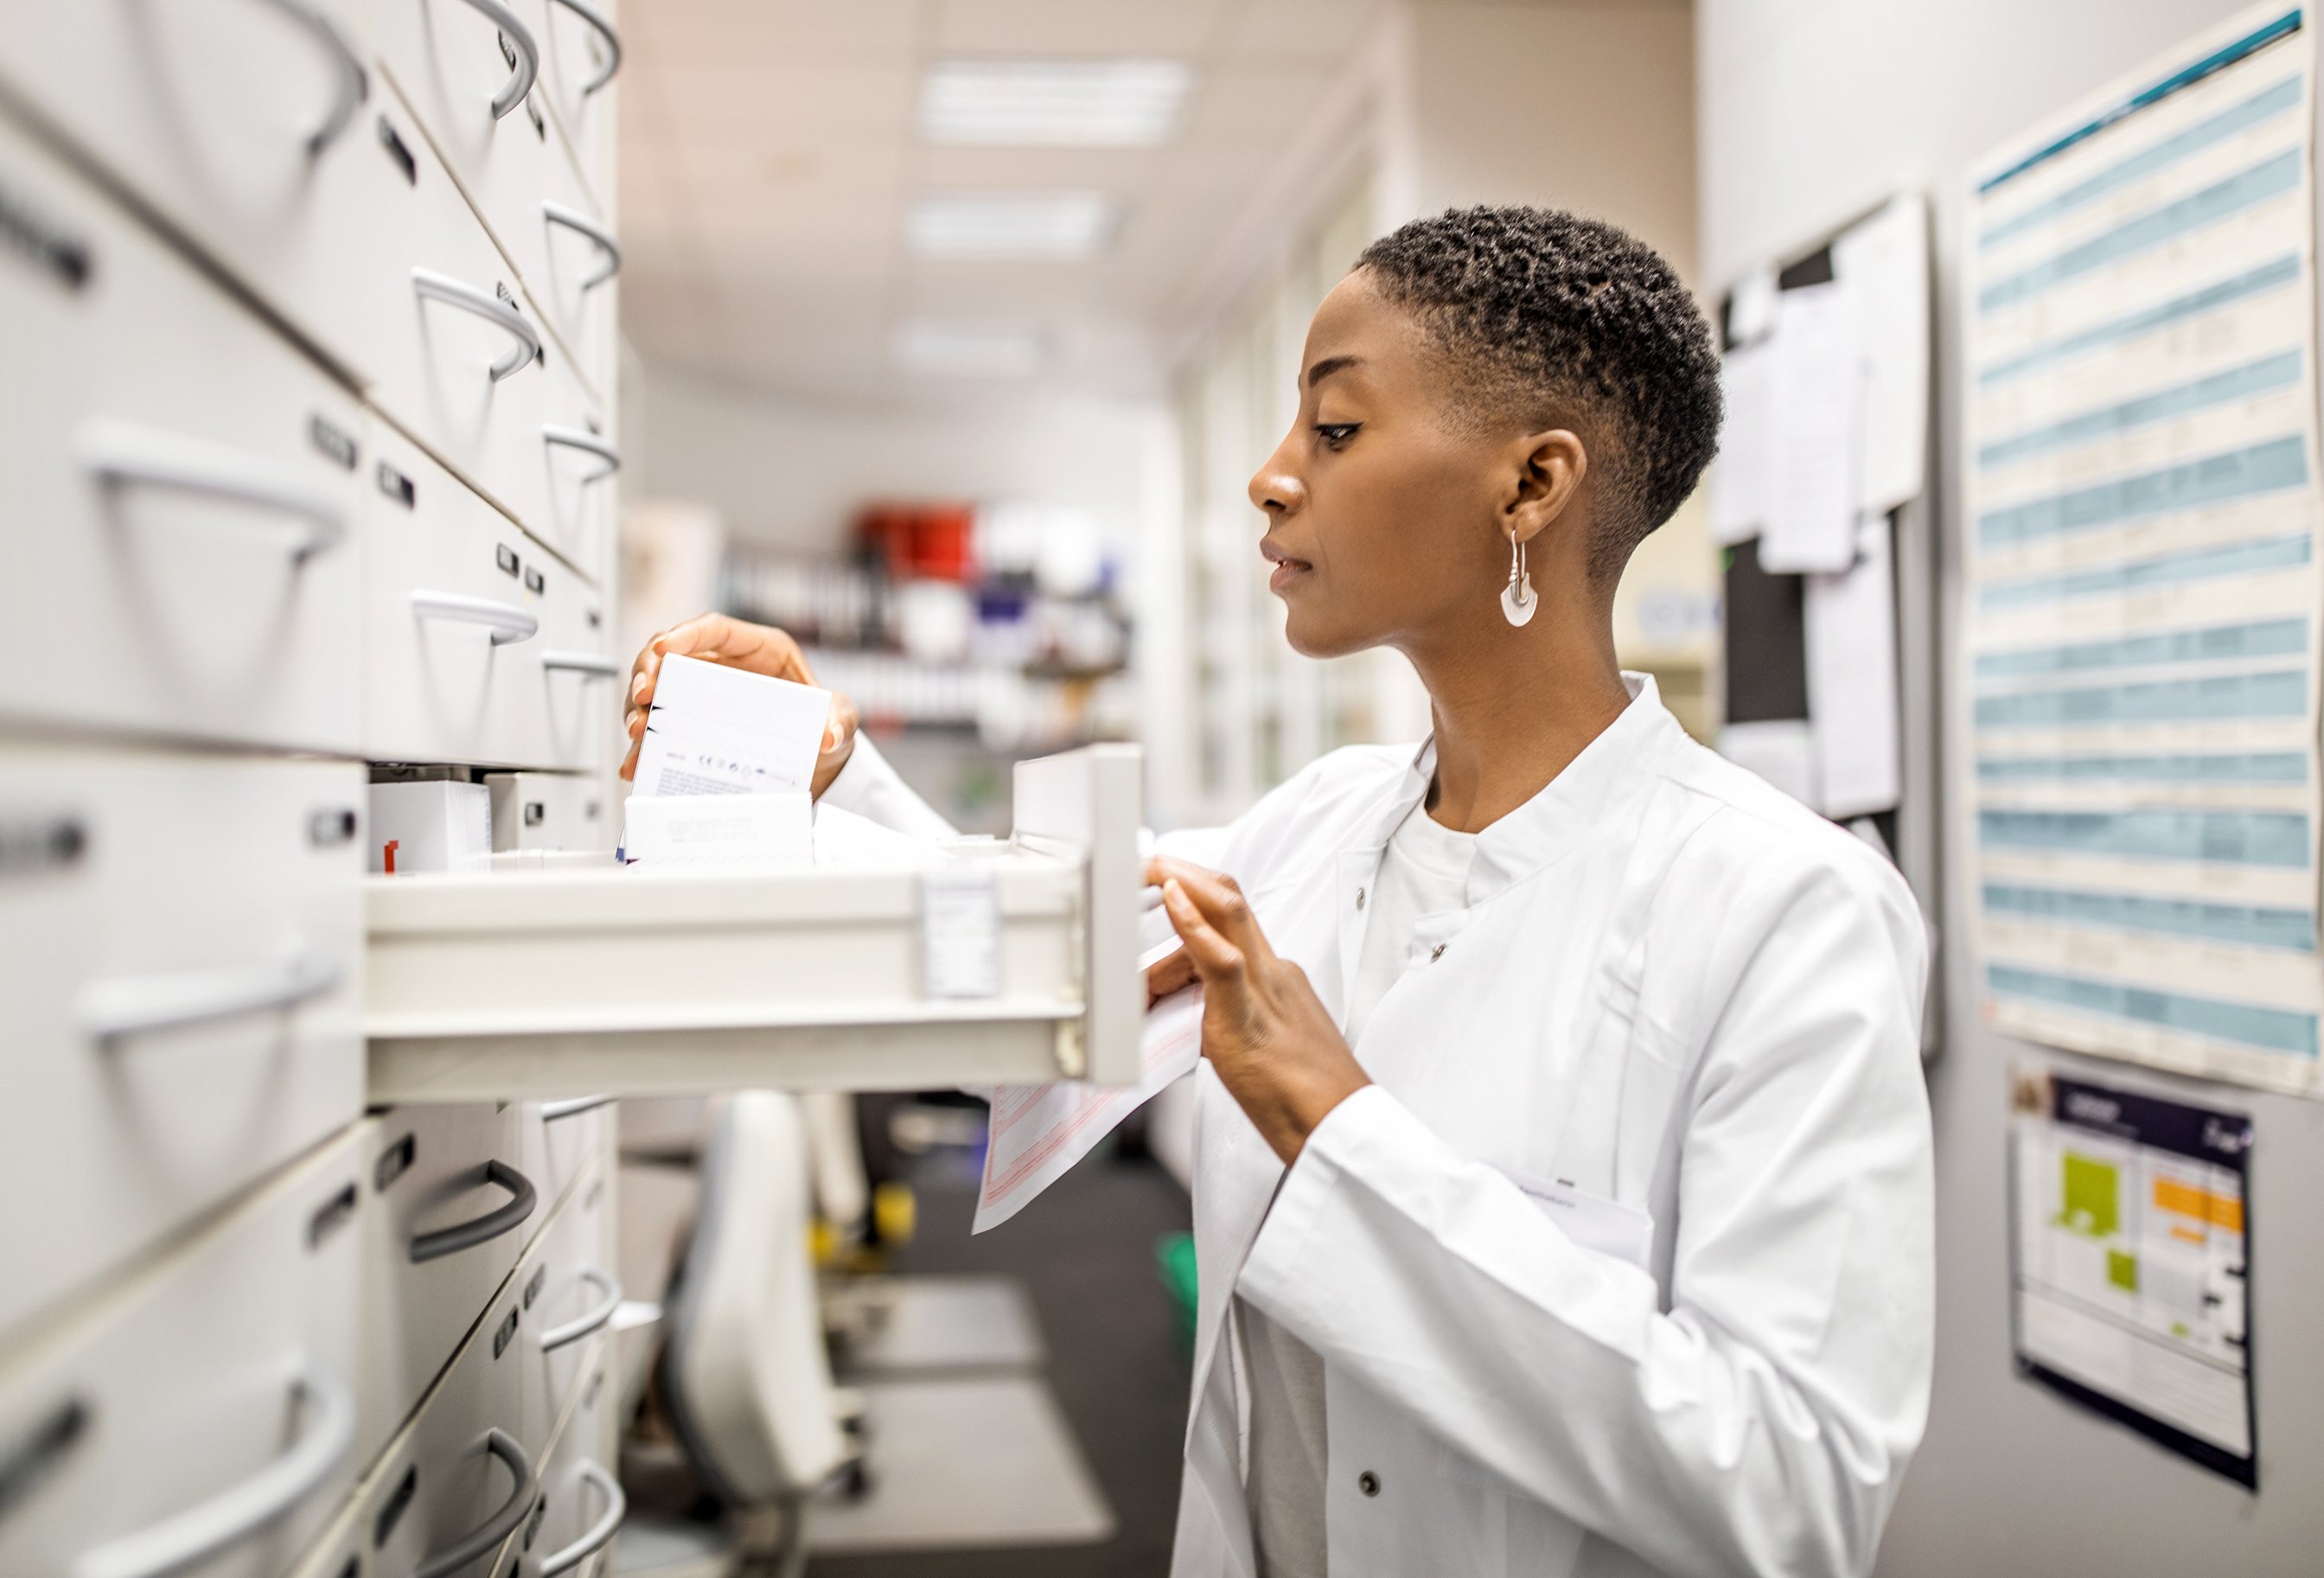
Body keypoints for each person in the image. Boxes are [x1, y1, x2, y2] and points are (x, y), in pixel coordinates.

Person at [619, 206, 1933, 1578]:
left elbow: (1793, 1482)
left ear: (1532, 486)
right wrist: (820, 769)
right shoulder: (1321, 824)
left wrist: (1340, 1128)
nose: (1269, 477)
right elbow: (1016, 956)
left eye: (1337, 428)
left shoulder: (1790, 910)